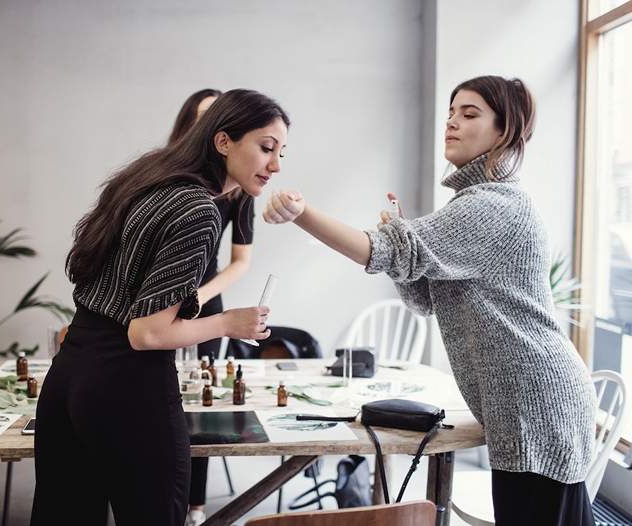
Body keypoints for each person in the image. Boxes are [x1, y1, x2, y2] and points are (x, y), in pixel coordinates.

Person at [264, 76, 596, 526]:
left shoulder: (491, 205)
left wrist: (303, 214)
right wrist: (405, 243)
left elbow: (383, 250)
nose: (452, 123)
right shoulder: (477, 201)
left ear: (504, 131)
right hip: (528, 403)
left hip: (537, 403)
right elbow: (423, 298)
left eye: (470, 114)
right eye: (451, 113)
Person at [31, 89, 289, 526]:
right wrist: (228, 322)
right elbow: (146, 333)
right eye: (266, 148)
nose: (276, 165)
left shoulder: (148, 178)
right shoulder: (199, 210)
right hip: (128, 388)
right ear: (223, 141)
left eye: (281, 152)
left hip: (69, 377)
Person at [168, 89, 257, 526]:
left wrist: (202, 296)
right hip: (164, 301)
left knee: (200, 406)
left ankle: (196, 508)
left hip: (205, 299)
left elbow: (241, 262)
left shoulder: (242, 189)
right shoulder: (169, 183)